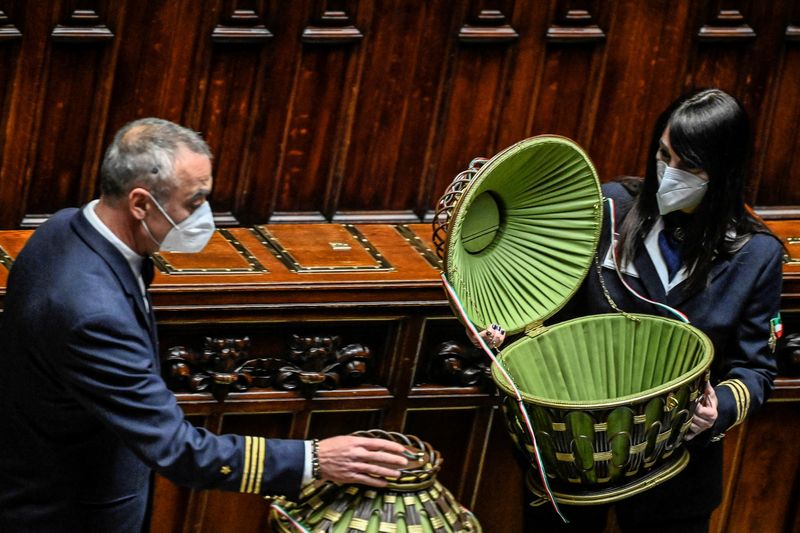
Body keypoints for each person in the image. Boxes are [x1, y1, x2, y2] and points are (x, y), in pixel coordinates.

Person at [0, 118, 409, 533]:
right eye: (194, 203)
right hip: (67, 515)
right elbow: (179, 452)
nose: (205, 217)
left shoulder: (67, 227)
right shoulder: (91, 313)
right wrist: (316, 460)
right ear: (140, 203)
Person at [473, 88, 783, 532]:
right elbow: (547, 312)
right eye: (663, 154)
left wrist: (720, 412)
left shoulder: (757, 254)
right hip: (572, 454)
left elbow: (756, 370)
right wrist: (504, 333)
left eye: (689, 165)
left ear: (723, 170)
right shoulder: (610, 208)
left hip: (678, 468)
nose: (668, 173)